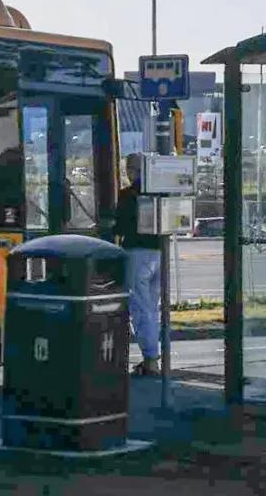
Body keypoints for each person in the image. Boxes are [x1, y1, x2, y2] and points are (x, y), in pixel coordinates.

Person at [113, 153, 162, 376]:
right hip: (159, 254)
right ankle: (156, 357)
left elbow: (120, 227)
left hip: (137, 254)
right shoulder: (159, 192)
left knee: (141, 309)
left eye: (127, 170)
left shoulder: (128, 194)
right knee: (153, 308)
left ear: (132, 171)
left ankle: (150, 359)